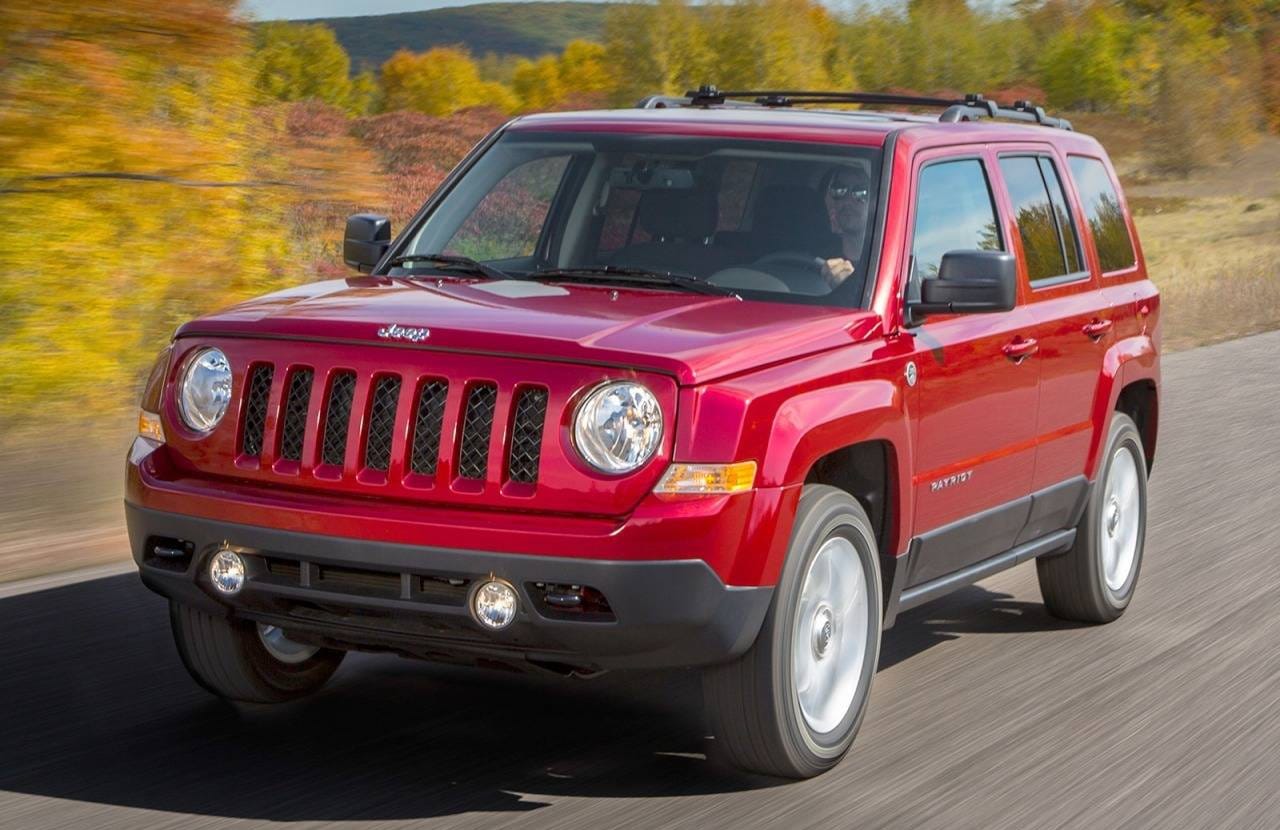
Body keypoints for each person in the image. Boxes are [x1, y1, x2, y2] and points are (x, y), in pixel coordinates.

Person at [818, 165, 871, 290]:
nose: (847, 201)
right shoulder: (816, 257)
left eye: (860, 193)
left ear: (875, 201)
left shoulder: (885, 264)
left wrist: (850, 283)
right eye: (839, 190)